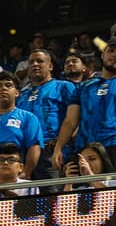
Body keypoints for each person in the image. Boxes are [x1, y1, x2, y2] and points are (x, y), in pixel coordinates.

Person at [52, 37, 116, 174]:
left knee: (111, 187)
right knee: (80, 186)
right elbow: (70, 121)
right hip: (84, 145)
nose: (114, 55)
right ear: (103, 54)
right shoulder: (82, 87)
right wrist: (58, 148)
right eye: (111, 51)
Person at [19, 50, 77, 181]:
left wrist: (63, 145)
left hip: (52, 151)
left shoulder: (64, 87)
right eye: (31, 62)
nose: (35, 64)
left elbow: (77, 118)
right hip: (26, 153)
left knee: (53, 191)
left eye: (40, 61)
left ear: (50, 66)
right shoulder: (22, 95)